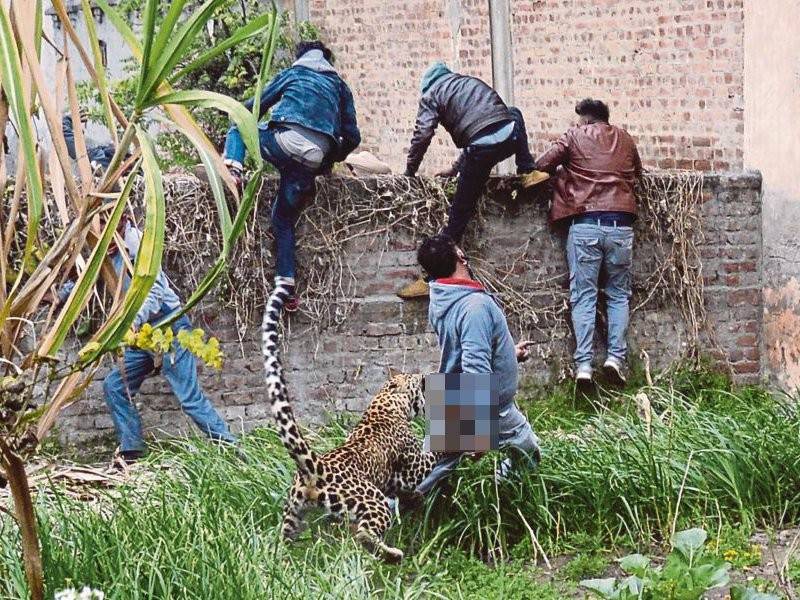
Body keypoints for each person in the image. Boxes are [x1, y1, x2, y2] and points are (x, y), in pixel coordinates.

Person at [60, 115, 236, 464]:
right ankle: (132, 450)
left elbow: (152, 292)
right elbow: (85, 281)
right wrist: (61, 294)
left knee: (188, 397)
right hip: (140, 334)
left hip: (168, 325)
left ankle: (232, 450)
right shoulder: (101, 250)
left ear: (121, 218)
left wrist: (126, 327)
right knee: (115, 386)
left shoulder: (137, 241)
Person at [223, 40, 361, 312]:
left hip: (285, 142)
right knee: (283, 220)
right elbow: (353, 137)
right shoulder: (339, 86)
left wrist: (229, 109)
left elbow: (252, 109)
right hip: (314, 158)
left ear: (299, 57)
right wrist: (328, 160)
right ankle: (286, 289)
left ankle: (232, 172)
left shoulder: (294, 74)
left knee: (239, 126)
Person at [398, 62, 549, 299]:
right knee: (514, 112)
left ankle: (432, 279)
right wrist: (455, 168)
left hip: (482, 149)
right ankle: (527, 170)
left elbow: (424, 134)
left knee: (459, 212)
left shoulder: (431, 94)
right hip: (510, 136)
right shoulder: (468, 83)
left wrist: (409, 171)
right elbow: (484, 126)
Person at [414, 234, 541, 495]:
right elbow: (474, 364)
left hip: (452, 391)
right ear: (460, 256)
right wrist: (478, 427)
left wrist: (508, 353)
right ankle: (502, 496)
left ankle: (393, 510)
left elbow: (464, 347)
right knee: (527, 453)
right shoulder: (475, 307)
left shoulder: (442, 298)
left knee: (432, 471)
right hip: (487, 403)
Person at [535, 98, 643, 388]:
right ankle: (614, 360)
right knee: (618, 295)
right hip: (621, 225)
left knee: (584, 296)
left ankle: (584, 366)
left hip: (585, 225)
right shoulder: (626, 139)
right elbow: (637, 175)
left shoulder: (574, 136)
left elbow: (541, 164)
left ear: (585, 120)